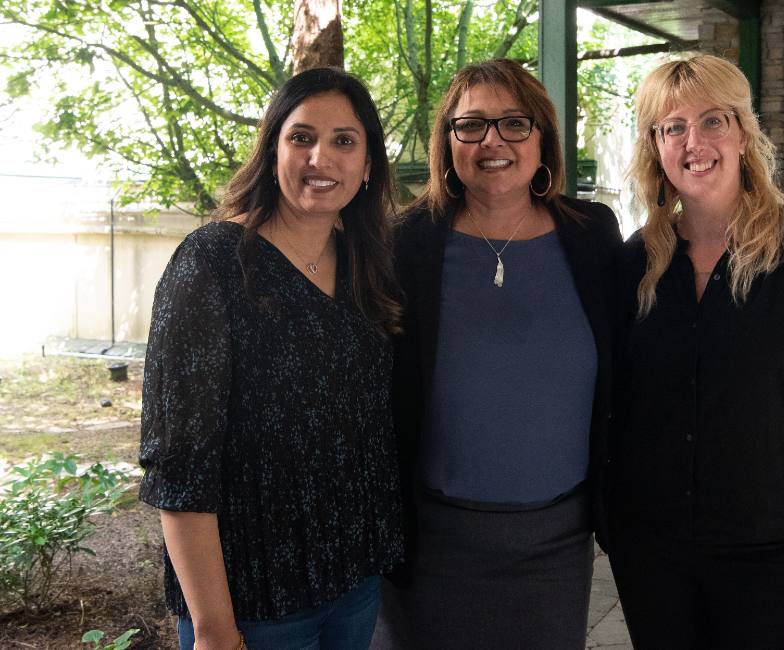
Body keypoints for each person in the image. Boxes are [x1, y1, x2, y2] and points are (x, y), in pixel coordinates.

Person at [608, 54, 784, 650]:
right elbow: (614, 405)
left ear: (744, 132)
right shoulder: (632, 264)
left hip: (774, 564)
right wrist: (612, 529)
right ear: (655, 145)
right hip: (652, 562)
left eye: (712, 121)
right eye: (671, 127)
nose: (692, 142)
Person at [138, 67, 403, 650]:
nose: (321, 159)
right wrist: (212, 629)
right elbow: (179, 464)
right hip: (252, 605)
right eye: (301, 137)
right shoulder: (211, 264)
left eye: (344, 141)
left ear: (367, 164)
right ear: (272, 148)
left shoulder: (365, 262)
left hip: (355, 586)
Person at [378, 59, 621, 650]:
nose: (493, 141)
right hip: (433, 542)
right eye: (472, 125)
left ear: (543, 139)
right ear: (447, 143)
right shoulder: (404, 243)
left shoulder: (593, 236)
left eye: (515, 123)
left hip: (557, 545)